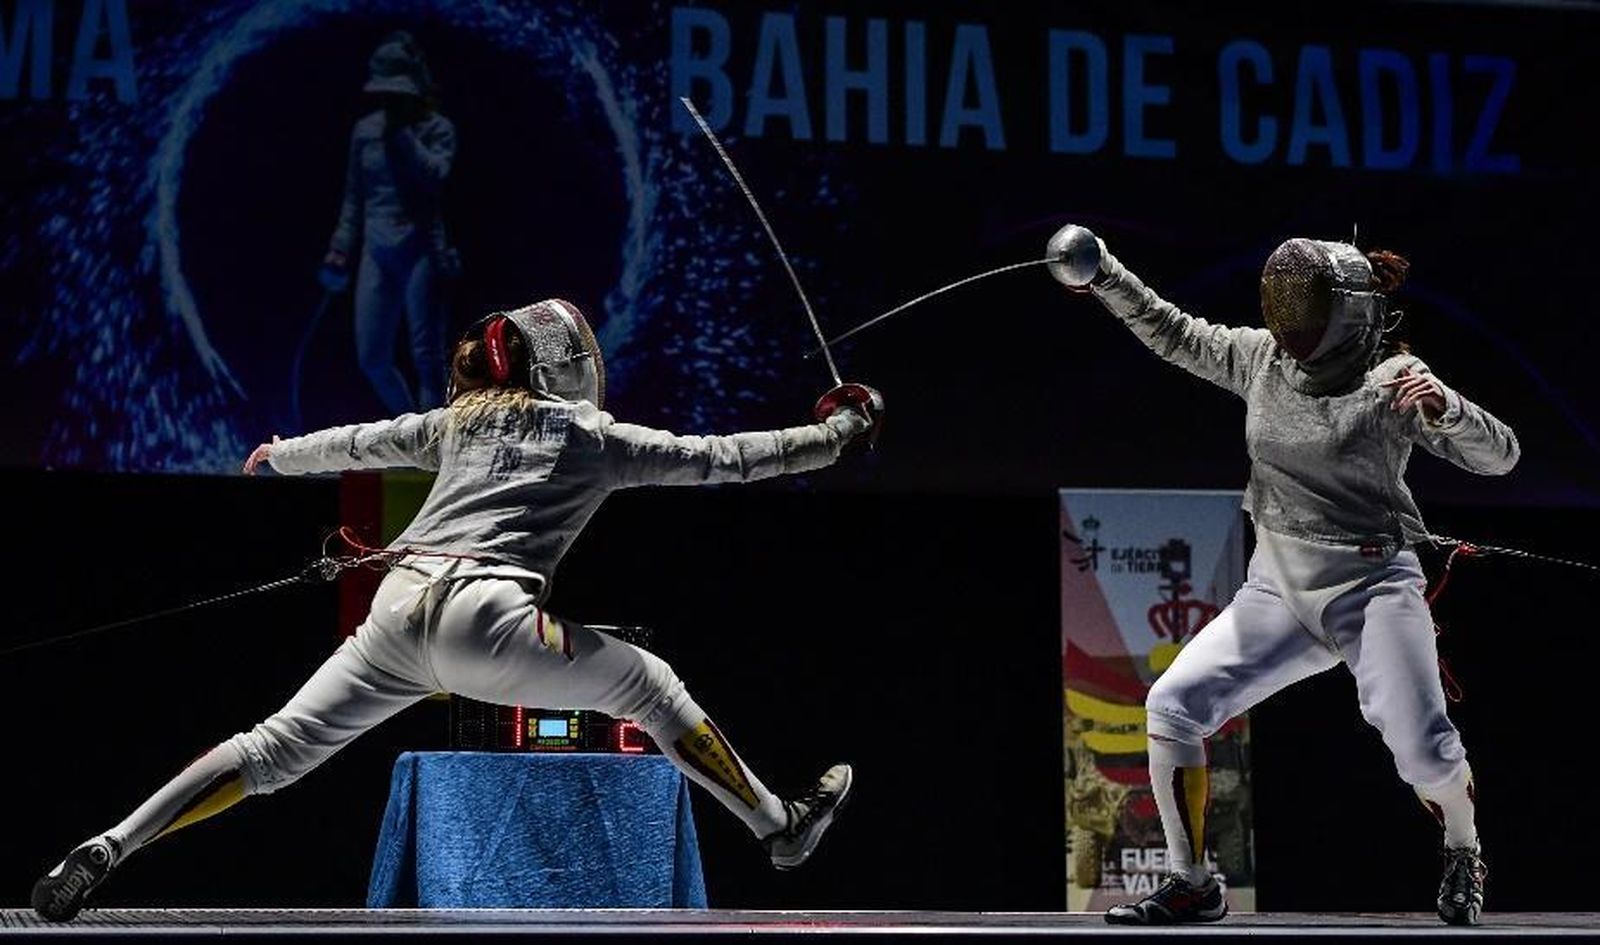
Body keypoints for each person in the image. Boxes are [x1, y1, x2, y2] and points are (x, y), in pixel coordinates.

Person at [32, 298, 881, 922]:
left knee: (271, 748)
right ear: (567, 365)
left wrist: (280, 456)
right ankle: (780, 827)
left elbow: (363, 440)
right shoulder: (592, 435)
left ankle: (110, 842)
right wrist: (835, 436)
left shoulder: (460, 426)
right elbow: (724, 459)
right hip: (489, 619)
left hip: (395, 615)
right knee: (652, 688)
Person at [1045, 226, 1518, 927]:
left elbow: (1501, 456)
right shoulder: (1260, 358)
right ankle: (1193, 881)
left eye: (1306, 301)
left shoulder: (1392, 382)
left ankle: (1462, 845)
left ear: (1348, 311)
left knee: (1422, 743)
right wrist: (1105, 274)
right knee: (1174, 703)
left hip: (1371, 588)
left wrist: (1450, 408)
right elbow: (1172, 330)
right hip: (1278, 589)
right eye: (1286, 300)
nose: (1289, 316)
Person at [322, 31, 459, 415]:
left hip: (423, 249)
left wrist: (403, 137)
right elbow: (354, 197)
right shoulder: (364, 131)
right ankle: (411, 429)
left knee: (427, 356)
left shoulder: (438, 130)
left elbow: (436, 178)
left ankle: (436, 442)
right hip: (376, 248)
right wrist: (340, 248)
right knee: (371, 357)